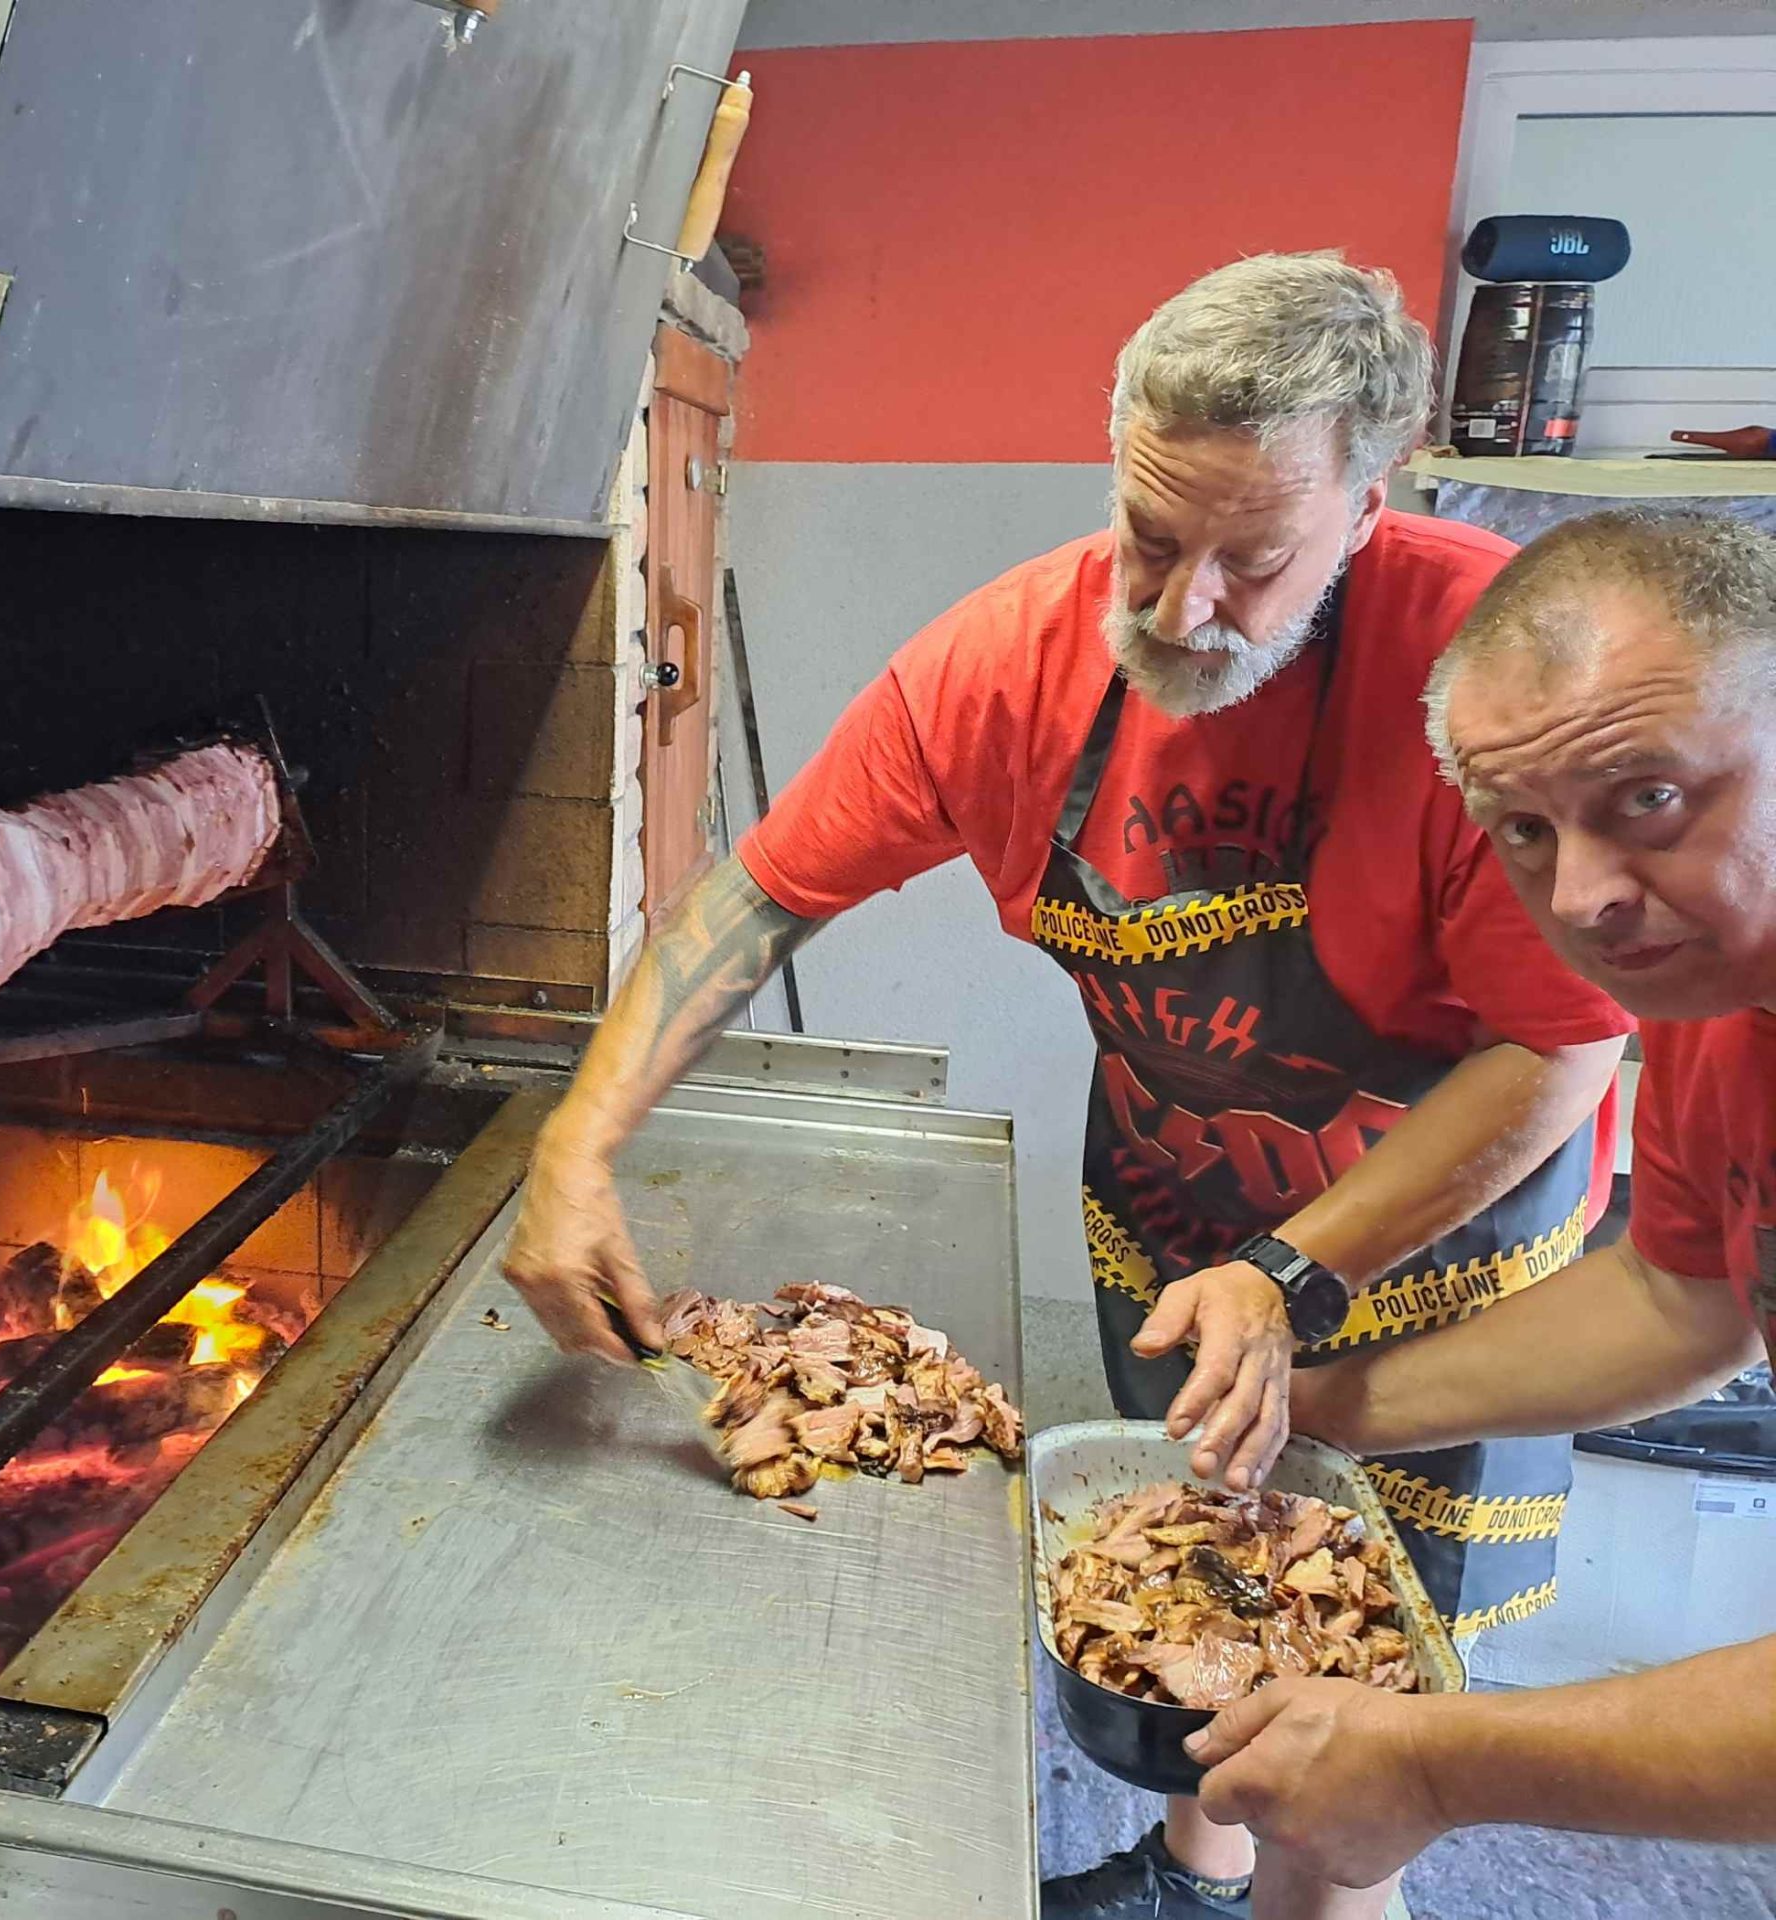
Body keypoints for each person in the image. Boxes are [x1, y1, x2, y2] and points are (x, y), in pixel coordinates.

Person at [500, 252, 1634, 1920]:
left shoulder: (1496, 676)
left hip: (1433, 1249)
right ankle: (1194, 1868)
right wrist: (574, 1147)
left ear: (1370, 499)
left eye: (1253, 563)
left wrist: (1295, 1270)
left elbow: (1558, 1047)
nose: (1181, 610)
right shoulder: (1010, 665)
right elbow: (757, 899)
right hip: (1181, 1203)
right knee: (1185, 1584)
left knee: (1357, 1707)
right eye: (1150, 538)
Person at [1190, 509, 1776, 1886]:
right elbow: (1681, 1297)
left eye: (1649, 798)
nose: (1580, 897)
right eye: (1524, 829)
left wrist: (1440, 1762)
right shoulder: (1715, 1005)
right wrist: (1318, 1414)